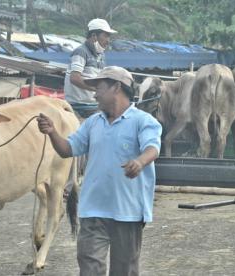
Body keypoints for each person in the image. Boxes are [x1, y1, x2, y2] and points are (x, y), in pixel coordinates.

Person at [37, 66, 162, 275]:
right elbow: (68, 149)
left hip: (128, 211)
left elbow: (153, 148)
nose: (94, 93)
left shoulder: (143, 121)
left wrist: (140, 162)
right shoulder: (93, 123)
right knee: (89, 267)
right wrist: (52, 133)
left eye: (99, 88)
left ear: (116, 87)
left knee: (124, 269)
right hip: (93, 209)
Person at [64, 18, 117, 119]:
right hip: (78, 106)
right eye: (106, 36)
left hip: (93, 106)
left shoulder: (101, 56)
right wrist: (97, 89)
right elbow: (75, 78)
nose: (108, 41)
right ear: (94, 36)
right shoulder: (80, 52)